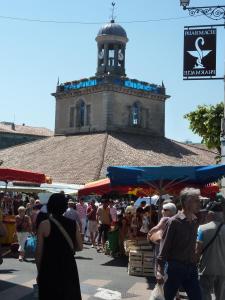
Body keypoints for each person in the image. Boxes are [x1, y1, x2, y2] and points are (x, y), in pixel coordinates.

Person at [157, 187, 202, 300]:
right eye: (196, 200)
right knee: (168, 297)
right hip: (175, 267)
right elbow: (165, 246)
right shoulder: (174, 222)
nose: (199, 203)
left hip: (191, 267)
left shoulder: (195, 220)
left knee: (197, 297)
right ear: (187, 203)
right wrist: (159, 270)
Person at [36, 193, 82, 300]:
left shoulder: (44, 224)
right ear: (64, 207)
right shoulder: (74, 224)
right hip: (68, 266)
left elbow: (38, 253)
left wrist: (40, 272)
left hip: (49, 267)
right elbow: (80, 247)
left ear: (50, 206)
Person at [196, 202, 225, 300]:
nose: (204, 215)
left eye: (206, 213)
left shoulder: (202, 229)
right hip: (223, 270)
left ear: (211, 214)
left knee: (204, 294)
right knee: (221, 296)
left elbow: (197, 250)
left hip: (206, 268)